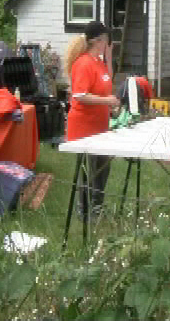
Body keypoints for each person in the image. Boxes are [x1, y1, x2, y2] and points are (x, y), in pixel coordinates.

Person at [64, 20, 120, 219]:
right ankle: (84, 209)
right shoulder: (83, 64)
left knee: (103, 167)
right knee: (89, 168)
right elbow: (79, 95)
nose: (109, 42)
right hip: (84, 125)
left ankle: (97, 206)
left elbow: (107, 80)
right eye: (107, 40)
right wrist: (106, 100)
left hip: (100, 125)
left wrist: (110, 56)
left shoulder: (99, 62)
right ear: (99, 41)